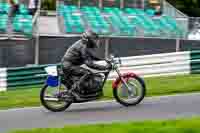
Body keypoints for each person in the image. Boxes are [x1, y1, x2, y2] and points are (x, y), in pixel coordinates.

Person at [61, 30, 111, 98]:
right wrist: (104, 67)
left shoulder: (83, 44)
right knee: (87, 73)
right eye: (93, 39)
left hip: (69, 64)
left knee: (88, 73)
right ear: (88, 40)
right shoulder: (83, 47)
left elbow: (90, 56)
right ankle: (75, 91)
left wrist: (103, 59)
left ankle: (82, 90)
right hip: (69, 66)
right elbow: (89, 63)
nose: (95, 41)